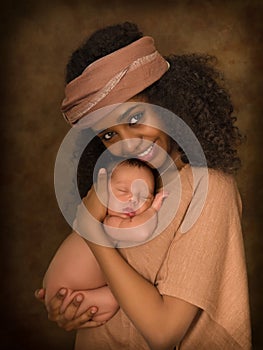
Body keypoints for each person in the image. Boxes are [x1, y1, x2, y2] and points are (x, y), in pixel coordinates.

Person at [35, 22, 251, 349]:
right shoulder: (125, 183)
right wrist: (74, 304)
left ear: (166, 100)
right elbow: (82, 279)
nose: (127, 145)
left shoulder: (209, 189)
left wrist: (93, 231)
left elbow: (163, 332)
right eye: (109, 135)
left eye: (135, 118)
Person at [42, 158, 166, 323]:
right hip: (67, 294)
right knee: (120, 297)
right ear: (101, 191)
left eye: (144, 196)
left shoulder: (84, 222)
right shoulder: (108, 223)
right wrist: (153, 208)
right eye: (122, 191)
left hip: (61, 290)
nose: (133, 199)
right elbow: (141, 231)